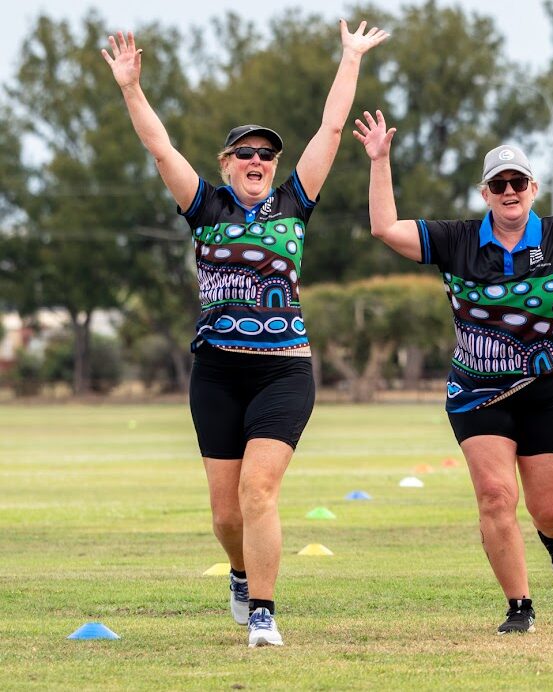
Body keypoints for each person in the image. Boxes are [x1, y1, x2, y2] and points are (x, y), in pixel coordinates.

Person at [102, 21, 389, 647]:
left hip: (283, 369)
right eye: (245, 154)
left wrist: (350, 58)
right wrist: (131, 89)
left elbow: (332, 130)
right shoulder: (204, 206)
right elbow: (160, 149)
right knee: (226, 512)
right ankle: (239, 571)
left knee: (260, 489)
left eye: (266, 155)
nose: (257, 162)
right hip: (217, 373)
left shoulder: (295, 202)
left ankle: (263, 611)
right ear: (227, 164)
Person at [354, 108, 553, 634]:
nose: (509, 191)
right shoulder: (456, 240)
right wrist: (380, 162)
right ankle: (520, 606)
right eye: (498, 184)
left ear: (533, 187)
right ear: (485, 193)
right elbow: (383, 228)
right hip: (476, 391)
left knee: (550, 508)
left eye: (517, 182)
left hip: (550, 385)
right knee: (494, 496)